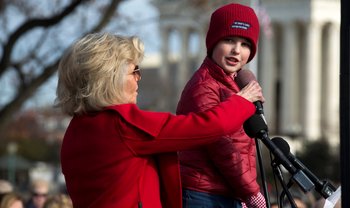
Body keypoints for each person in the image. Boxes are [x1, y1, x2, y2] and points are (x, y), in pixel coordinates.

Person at [55, 32, 264, 208]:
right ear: (110, 79)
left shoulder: (73, 133)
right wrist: (242, 100)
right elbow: (208, 126)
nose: (139, 78)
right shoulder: (124, 124)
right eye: (134, 71)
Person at [176, 3, 266, 208]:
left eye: (245, 44)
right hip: (203, 196)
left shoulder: (235, 85)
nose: (237, 50)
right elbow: (221, 146)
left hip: (225, 194)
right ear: (213, 42)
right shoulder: (203, 86)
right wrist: (251, 193)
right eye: (229, 40)